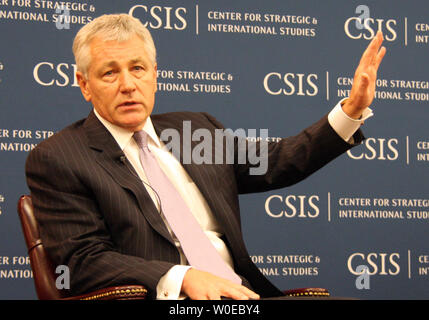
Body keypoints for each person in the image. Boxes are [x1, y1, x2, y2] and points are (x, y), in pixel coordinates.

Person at [25, 13, 386, 300]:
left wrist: (351, 110)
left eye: (137, 68)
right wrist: (182, 278)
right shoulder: (59, 158)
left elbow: (277, 161)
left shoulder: (194, 129)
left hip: (243, 295)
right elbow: (84, 262)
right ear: (84, 84)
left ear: (155, 75)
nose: (127, 84)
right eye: (109, 72)